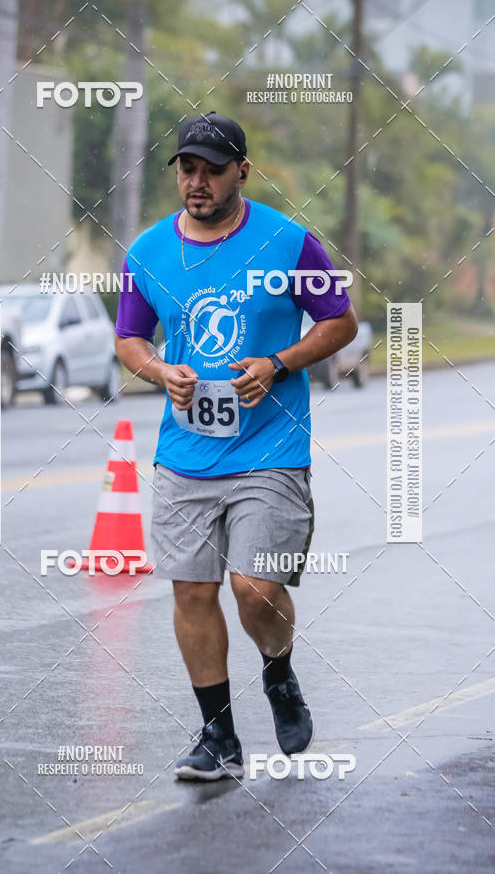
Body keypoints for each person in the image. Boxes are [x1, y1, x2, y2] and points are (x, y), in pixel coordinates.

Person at [115, 112, 358, 781]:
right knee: (193, 590)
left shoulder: (288, 241)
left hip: (272, 450)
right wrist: (161, 371)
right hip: (186, 453)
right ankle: (217, 738)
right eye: (187, 169)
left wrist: (278, 363)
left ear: (241, 173)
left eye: (211, 170)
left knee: (253, 589)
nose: (196, 182)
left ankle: (278, 673)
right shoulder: (149, 252)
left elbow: (340, 321)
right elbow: (129, 340)